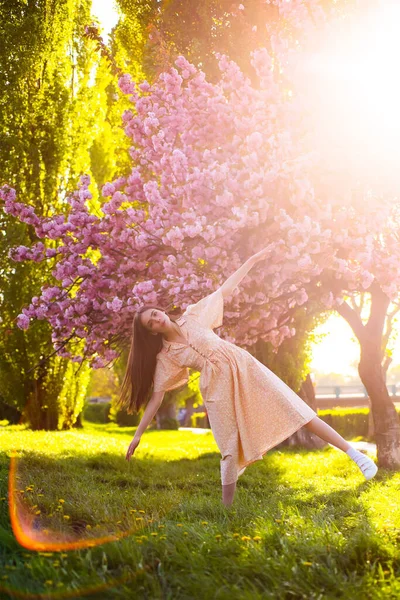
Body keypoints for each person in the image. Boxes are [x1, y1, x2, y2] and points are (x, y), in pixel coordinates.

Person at [120, 247, 378, 506]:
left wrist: (252, 260)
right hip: (216, 388)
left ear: (161, 311)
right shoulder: (166, 356)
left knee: (296, 409)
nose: (156, 320)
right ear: (151, 333)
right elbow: (156, 398)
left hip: (243, 366)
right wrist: (138, 434)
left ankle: (356, 456)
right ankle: (227, 511)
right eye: (150, 324)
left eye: (155, 314)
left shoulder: (194, 316)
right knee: (228, 448)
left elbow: (225, 290)